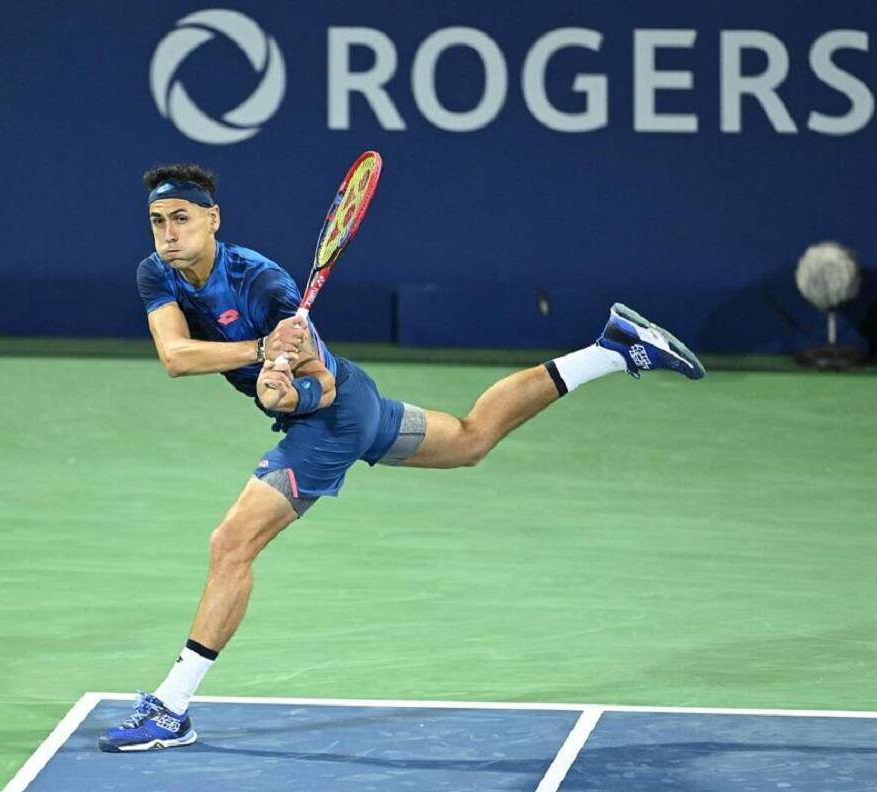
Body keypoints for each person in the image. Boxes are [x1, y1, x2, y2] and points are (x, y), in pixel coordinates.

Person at [98, 163, 704, 752]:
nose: (168, 233)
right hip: (355, 405)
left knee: (231, 545)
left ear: (213, 220)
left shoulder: (265, 284)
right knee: (470, 439)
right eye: (158, 221)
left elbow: (320, 386)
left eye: (181, 218)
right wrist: (262, 357)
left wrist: (290, 390)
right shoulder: (157, 273)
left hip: (331, 419)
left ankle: (171, 708)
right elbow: (176, 356)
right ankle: (611, 349)